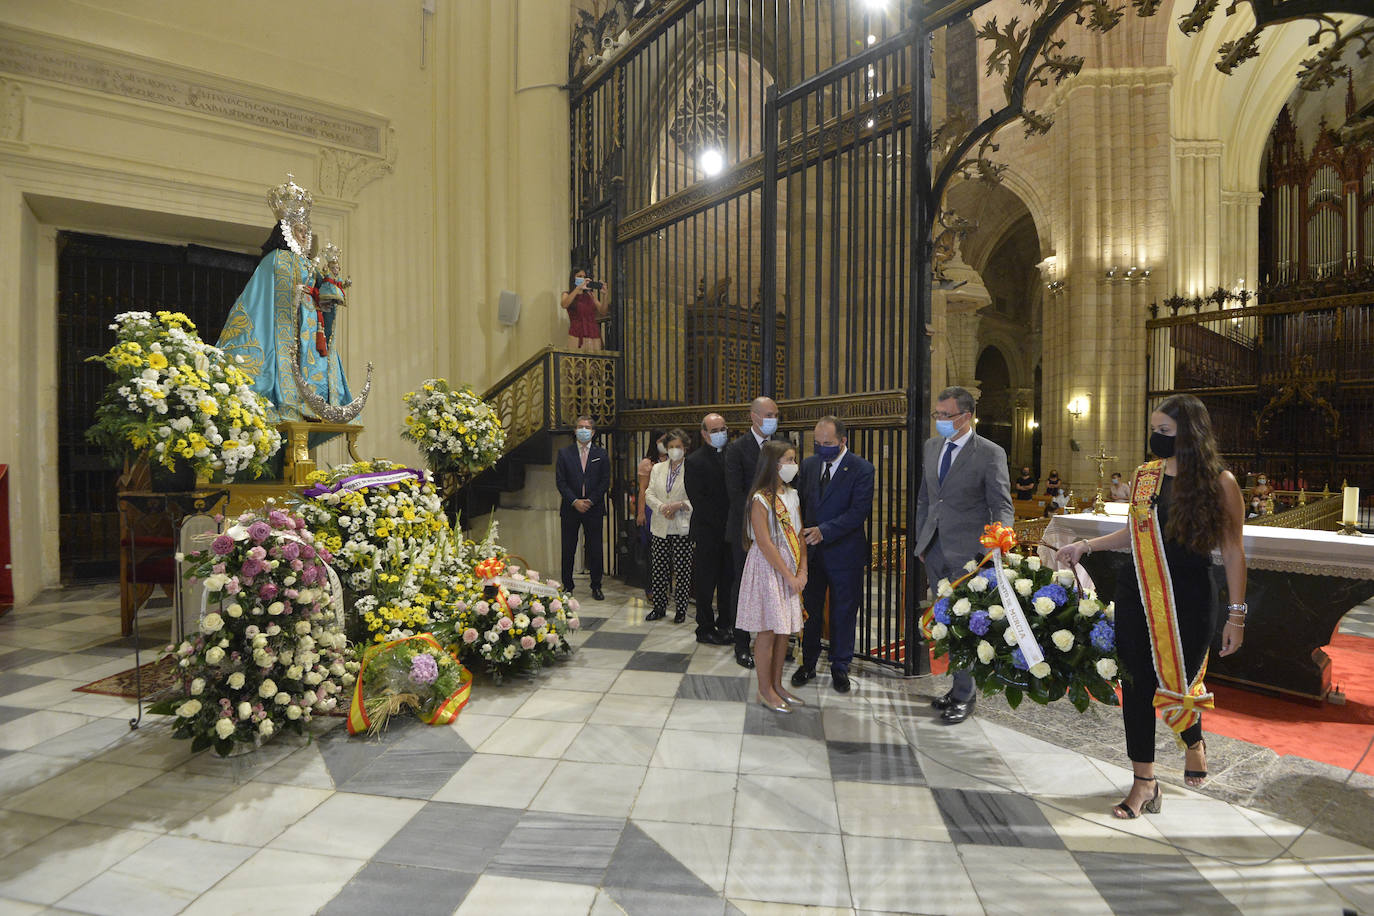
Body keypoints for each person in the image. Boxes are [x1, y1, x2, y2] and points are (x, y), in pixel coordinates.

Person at [1057, 394, 1246, 819]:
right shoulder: (1145, 477)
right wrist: (1085, 545)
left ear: (1190, 433)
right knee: (1137, 684)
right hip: (1136, 591)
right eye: (1154, 430)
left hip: (1190, 596)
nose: (1155, 438)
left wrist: (1237, 615)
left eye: (1164, 431)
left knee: (1179, 680)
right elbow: (1130, 535)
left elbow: (1233, 552)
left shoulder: (1221, 483)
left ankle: (1193, 740)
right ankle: (1145, 781)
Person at [217, 174, 355, 428]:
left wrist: (326, 292)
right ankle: (285, 399)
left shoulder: (306, 263)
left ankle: (312, 402)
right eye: (299, 231)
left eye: (306, 231)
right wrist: (301, 293)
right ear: (286, 231)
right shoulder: (276, 260)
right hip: (282, 332)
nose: (304, 236)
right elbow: (269, 298)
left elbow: (318, 296)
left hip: (309, 328)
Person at [913, 386, 1013, 725]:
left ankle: (964, 695)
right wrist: (922, 541)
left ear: (966, 416)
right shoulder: (931, 447)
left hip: (970, 552)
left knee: (966, 624)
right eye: (937, 415)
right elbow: (926, 499)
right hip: (935, 548)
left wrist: (995, 544)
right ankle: (957, 686)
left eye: (945, 415)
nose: (939, 421)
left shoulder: (988, 452)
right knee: (943, 621)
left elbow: (1000, 504)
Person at [792, 416, 875, 694]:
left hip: (845, 554)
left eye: (827, 443)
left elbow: (858, 512)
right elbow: (801, 503)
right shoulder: (809, 464)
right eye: (817, 443)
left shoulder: (862, 469)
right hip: (812, 556)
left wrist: (824, 531)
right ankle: (809, 663)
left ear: (843, 441)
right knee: (810, 612)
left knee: (843, 613)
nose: (822, 447)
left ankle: (840, 667)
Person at [735, 440, 807, 712]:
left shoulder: (792, 494)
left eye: (793, 459)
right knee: (767, 631)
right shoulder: (760, 499)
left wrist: (803, 570)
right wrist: (789, 574)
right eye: (788, 459)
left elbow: (799, 533)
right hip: (768, 568)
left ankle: (777, 686)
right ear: (773, 464)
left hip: (790, 566)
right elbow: (764, 543)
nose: (793, 464)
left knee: (783, 632)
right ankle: (764, 690)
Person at [725, 396, 783, 669]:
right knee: (743, 585)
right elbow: (735, 494)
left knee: (773, 586)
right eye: (768, 413)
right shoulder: (737, 449)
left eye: (775, 413)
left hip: (777, 530)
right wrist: (757, 520)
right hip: (746, 531)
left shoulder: (781, 445)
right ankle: (741, 643)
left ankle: (772, 639)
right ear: (754, 416)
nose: (773, 418)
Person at [685, 413, 735, 645]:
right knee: (706, 582)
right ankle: (705, 627)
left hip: (730, 532)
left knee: (728, 580)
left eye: (723, 429)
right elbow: (699, 500)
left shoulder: (732, 455)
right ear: (704, 434)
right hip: (708, 531)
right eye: (715, 430)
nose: (720, 434)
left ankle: (726, 624)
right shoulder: (695, 461)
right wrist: (721, 524)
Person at [555, 416, 609, 601]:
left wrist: (590, 501)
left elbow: (604, 482)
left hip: (593, 508)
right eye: (580, 427)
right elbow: (561, 482)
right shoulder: (564, 453)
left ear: (593, 432)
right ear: (575, 430)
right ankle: (567, 586)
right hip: (571, 508)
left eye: (587, 427)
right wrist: (575, 501)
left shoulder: (601, 454)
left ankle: (596, 586)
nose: (583, 430)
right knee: (568, 548)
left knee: (595, 549)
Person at [644, 429, 693, 623]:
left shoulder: (692, 469)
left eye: (678, 447)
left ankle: (681, 609)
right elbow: (648, 493)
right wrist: (662, 506)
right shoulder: (658, 468)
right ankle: (659, 607)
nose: (674, 450)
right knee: (659, 568)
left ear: (685, 449)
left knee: (682, 570)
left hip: (682, 525)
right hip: (660, 524)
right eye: (671, 447)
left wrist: (680, 505)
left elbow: (697, 497)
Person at [636, 431, 667, 598]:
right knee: (652, 552)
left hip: (668, 509)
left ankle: (665, 587)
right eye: (662, 440)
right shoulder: (648, 463)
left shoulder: (673, 460)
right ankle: (651, 588)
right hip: (651, 509)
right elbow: (643, 489)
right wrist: (641, 512)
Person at [560, 267, 608, 351]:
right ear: (573, 278)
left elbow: (603, 311)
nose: (582, 278)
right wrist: (578, 288)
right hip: (577, 334)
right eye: (579, 276)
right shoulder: (567, 294)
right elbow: (564, 304)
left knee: (595, 362)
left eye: (584, 276)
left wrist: (605, 295)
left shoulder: (589, 295)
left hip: (593, 334)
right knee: (576, 362)